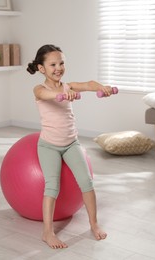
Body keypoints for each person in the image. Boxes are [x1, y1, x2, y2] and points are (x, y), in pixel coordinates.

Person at [27, 44, 112, 249]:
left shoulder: (69, 86)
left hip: (71, 143)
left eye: (61, 63)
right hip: (49, 146)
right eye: (53, 64)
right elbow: (46, 96)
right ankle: (48, 232)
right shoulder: (40, 89)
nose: (58, 68)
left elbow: (89, 84)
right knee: (52, 187)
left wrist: (102, 87)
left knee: (87, 182)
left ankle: (94, 224)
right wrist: (61, 96)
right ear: (41, 68)